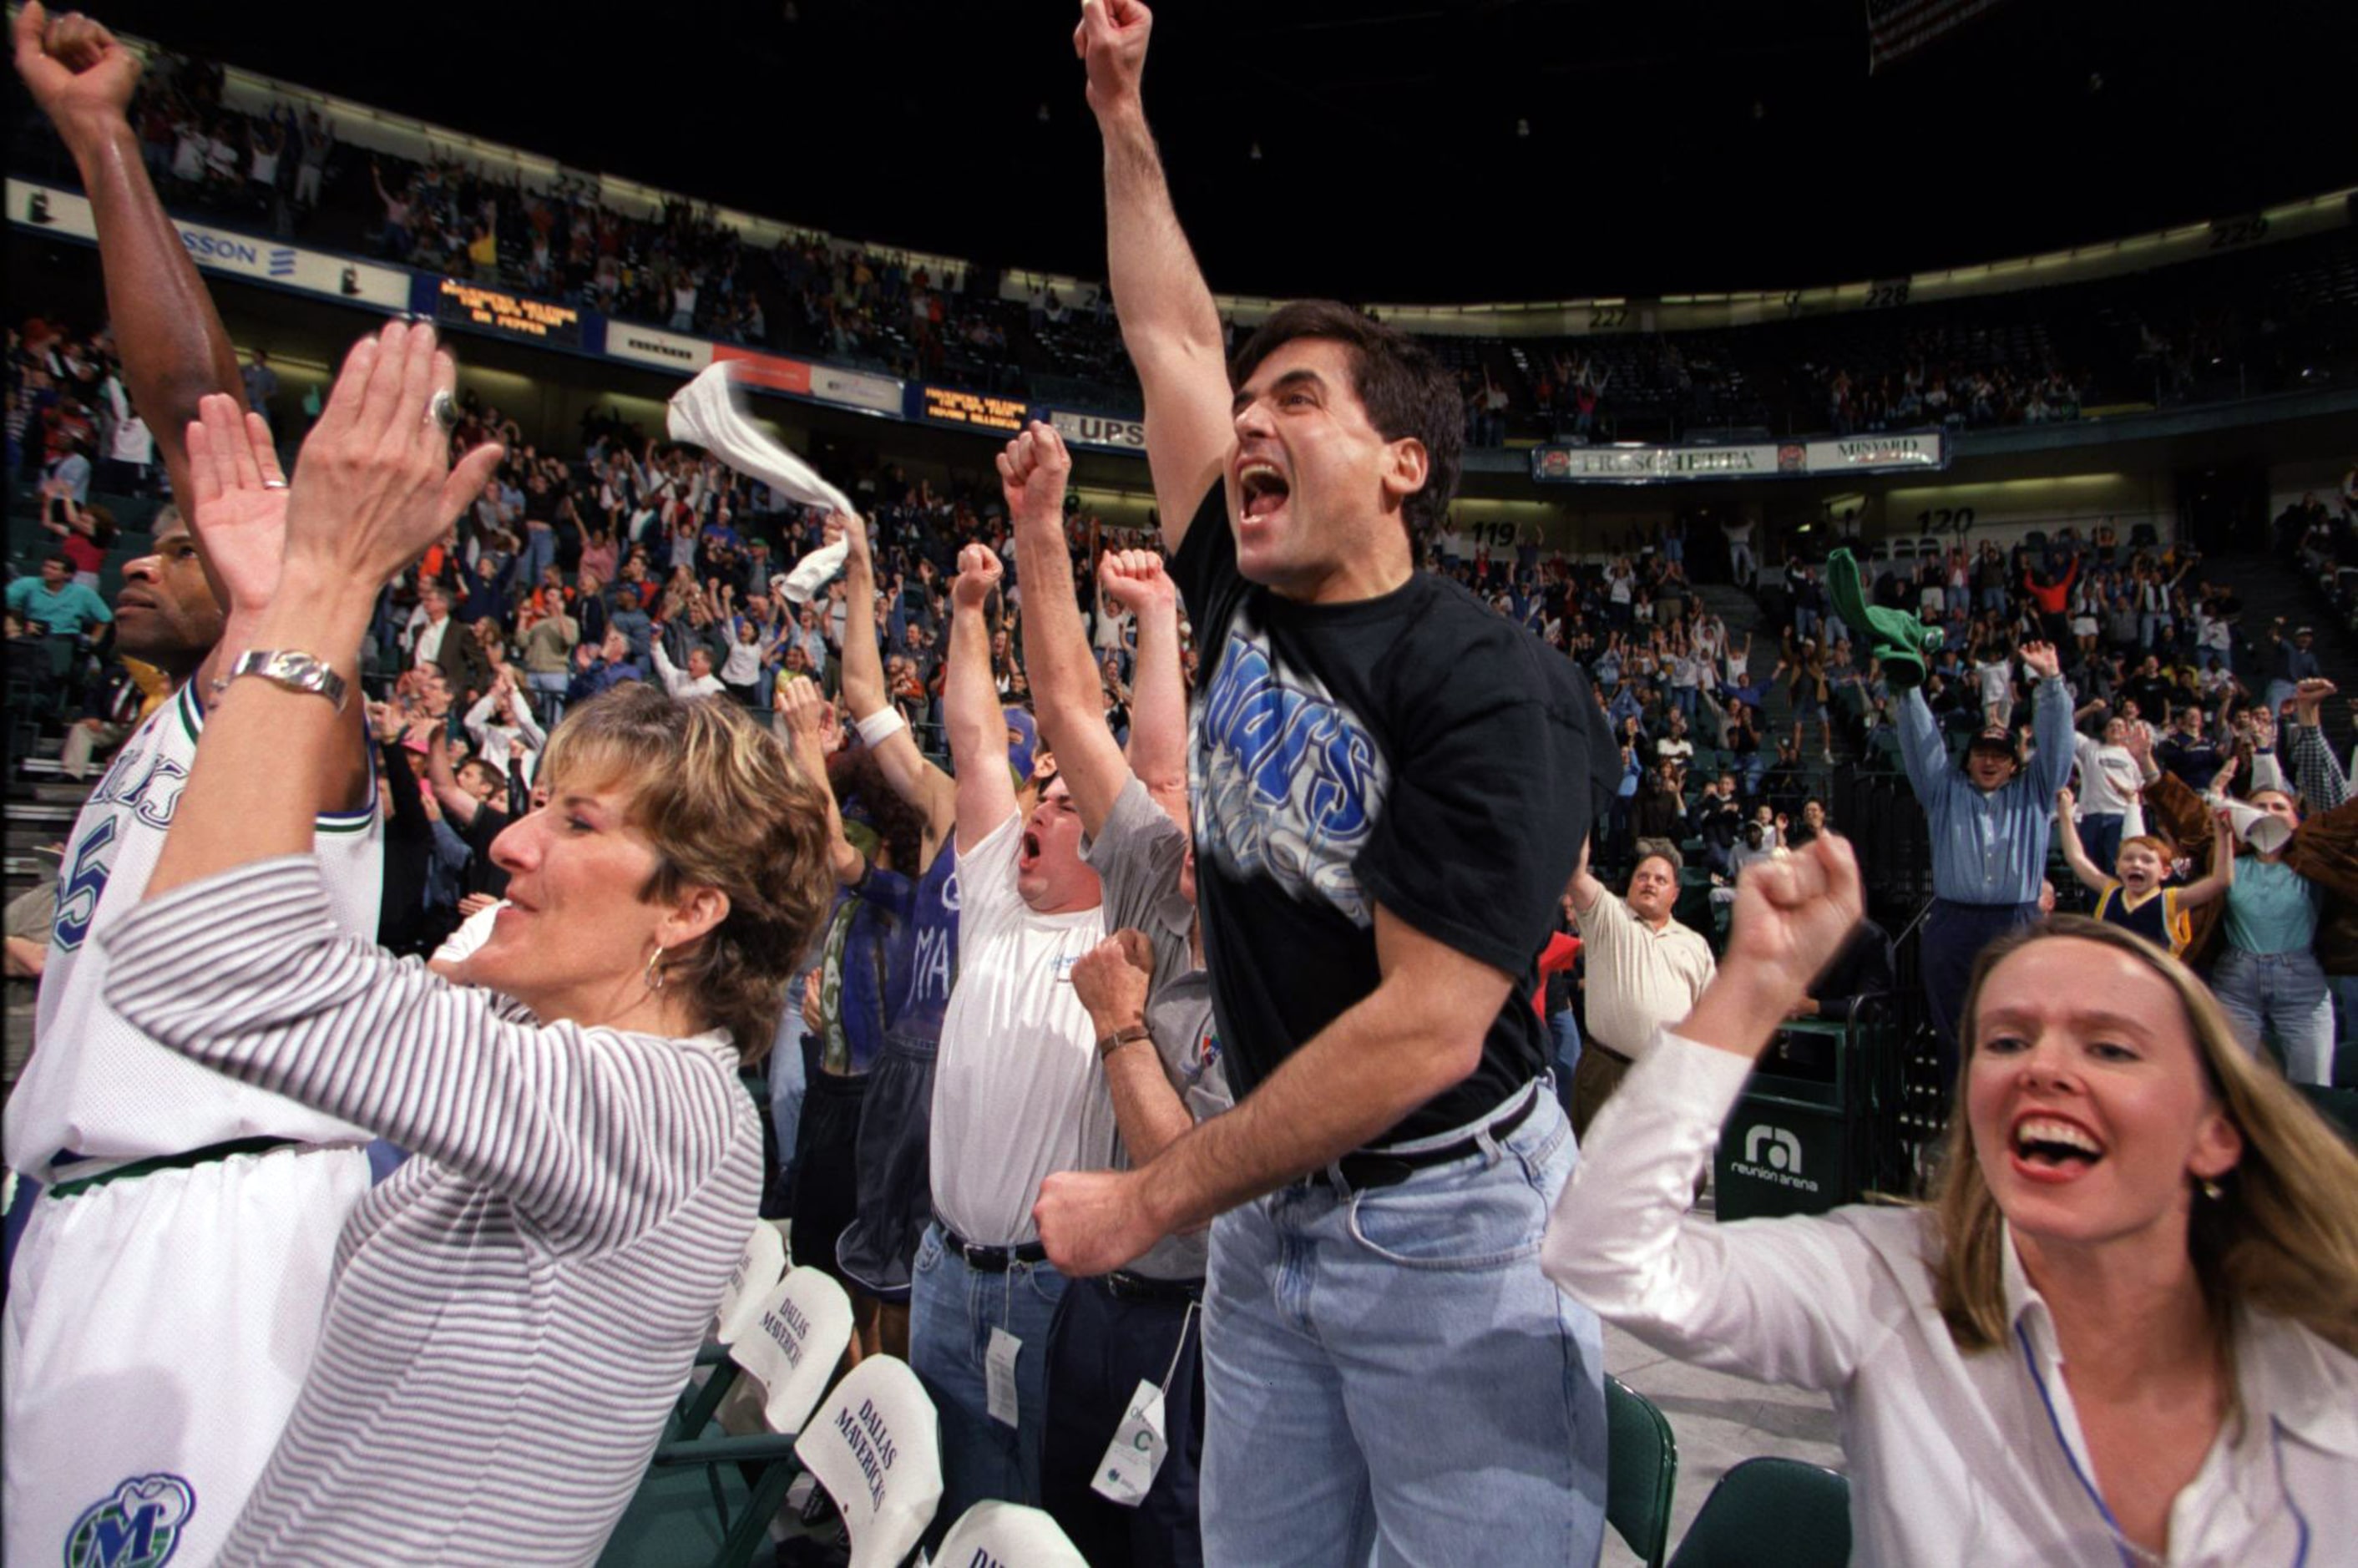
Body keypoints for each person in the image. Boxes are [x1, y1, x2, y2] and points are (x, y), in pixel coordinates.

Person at [100, 325, 835, 1560]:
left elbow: (196, 959)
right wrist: (264, 619)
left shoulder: (651, 1113)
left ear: (690, 908)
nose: (510, 843)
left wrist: (319, 593)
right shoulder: (560, 1049)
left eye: (576, 821)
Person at [1035, 5, 1614, 1560]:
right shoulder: (1234, 590)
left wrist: (1158, 1198)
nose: (1249, 423)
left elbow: (1425, 1025)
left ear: (1402, 463)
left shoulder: (1489, 681)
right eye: (1251, 406)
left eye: (1296, 399)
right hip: (1269, 1220)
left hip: (1446, 1226)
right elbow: (1168, 338)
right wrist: (1120, 115)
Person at [3, 11, 378, 1562]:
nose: (143, 562)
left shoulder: (290, 706)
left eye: (181, 545)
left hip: (204, 1230)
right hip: (82, 1203)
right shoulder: (154, 733)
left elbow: (196, 413)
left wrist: (104, 144)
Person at [1546, 860, 2358, 1566]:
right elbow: (1605, 1251)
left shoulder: (2325, 1369)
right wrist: (1754, 983)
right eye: (2005, 1041)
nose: (2043, 1067)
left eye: (2109, 1047)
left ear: (2216, 1131)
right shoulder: (1890, 1279)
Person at [1008, 422, 1229, 1565]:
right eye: (1200, 821)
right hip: (1090, 1294)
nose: (1192, 853)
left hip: (1196, 1332)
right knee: (1060, 1528)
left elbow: (1186, 1188)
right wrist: (1042, 526)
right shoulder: (1150, 860)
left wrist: (1120, 1025)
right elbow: (1061, 706)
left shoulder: (1287, 984)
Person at [910, 537, 1114, 1525]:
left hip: (1041, 1294)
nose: (1042, 802)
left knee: (1026, 1518)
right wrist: (965, 612)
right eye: (1046, 794)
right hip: (941, 1267)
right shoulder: (996, 895)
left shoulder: (1123, 934)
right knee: (943, 1502)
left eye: (1070, 805)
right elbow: (980, 745)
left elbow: (1150, 779)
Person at [1900, 640, 2074, 1071]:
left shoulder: (2034, 795)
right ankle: (1962, 1123)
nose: (1990, 762)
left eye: (2000, 755)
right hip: (1953, 922)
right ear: (1969, 759)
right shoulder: (1945, 793)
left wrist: (2051, 683)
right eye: (1981, 754)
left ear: (2015, 764)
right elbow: (1923, 748)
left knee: (2022, 1028)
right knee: (1955, 1032)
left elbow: (2057, 751)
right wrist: (1908, 692)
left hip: (2017, 919)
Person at [1566, 835, 1717, 1136]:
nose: (1650, 883)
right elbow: (1575, 874)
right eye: (1642, 876)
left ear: (1675, 893)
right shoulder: (1609, 916)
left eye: (1661, 880)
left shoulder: (1695, 943)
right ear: (1630, 884)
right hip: (1608, 1077)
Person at [2053, 789, 2234, 957]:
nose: (2136, 864)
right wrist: (2065, 816)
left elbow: (2220, 881)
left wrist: (2224, 834)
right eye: (2128, 858)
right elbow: (2076, 857)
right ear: (2117, 866)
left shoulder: (2171, 900)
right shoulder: (2112, 892)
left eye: (2147, 860)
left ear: (2165, 872)